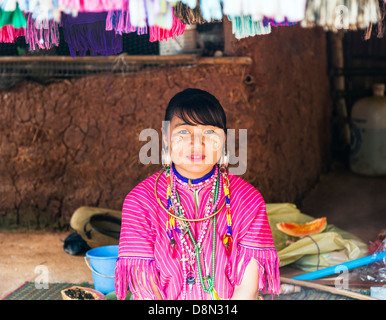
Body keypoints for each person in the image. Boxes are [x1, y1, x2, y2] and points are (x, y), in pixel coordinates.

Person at [115, 88, 280, 300]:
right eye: (183, 132)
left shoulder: (248, 200)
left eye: (209, 133)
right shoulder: (140, 202)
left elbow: (247, 287)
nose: (196, 144)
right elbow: (145, 288)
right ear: (166, 138)